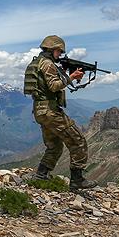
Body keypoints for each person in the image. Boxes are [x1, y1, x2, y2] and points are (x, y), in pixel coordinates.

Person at [24, 35, 97, 189]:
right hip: (50, 111)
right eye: (59, 52)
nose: (60, 55)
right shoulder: (48, 64)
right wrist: (71, 77)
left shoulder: (37, 62)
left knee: (55, 146)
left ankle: (41, 175)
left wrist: (64, 73)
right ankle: (77, 180)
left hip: (40, 111)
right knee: (77, 141)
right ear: (53, 50)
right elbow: (54, 86)